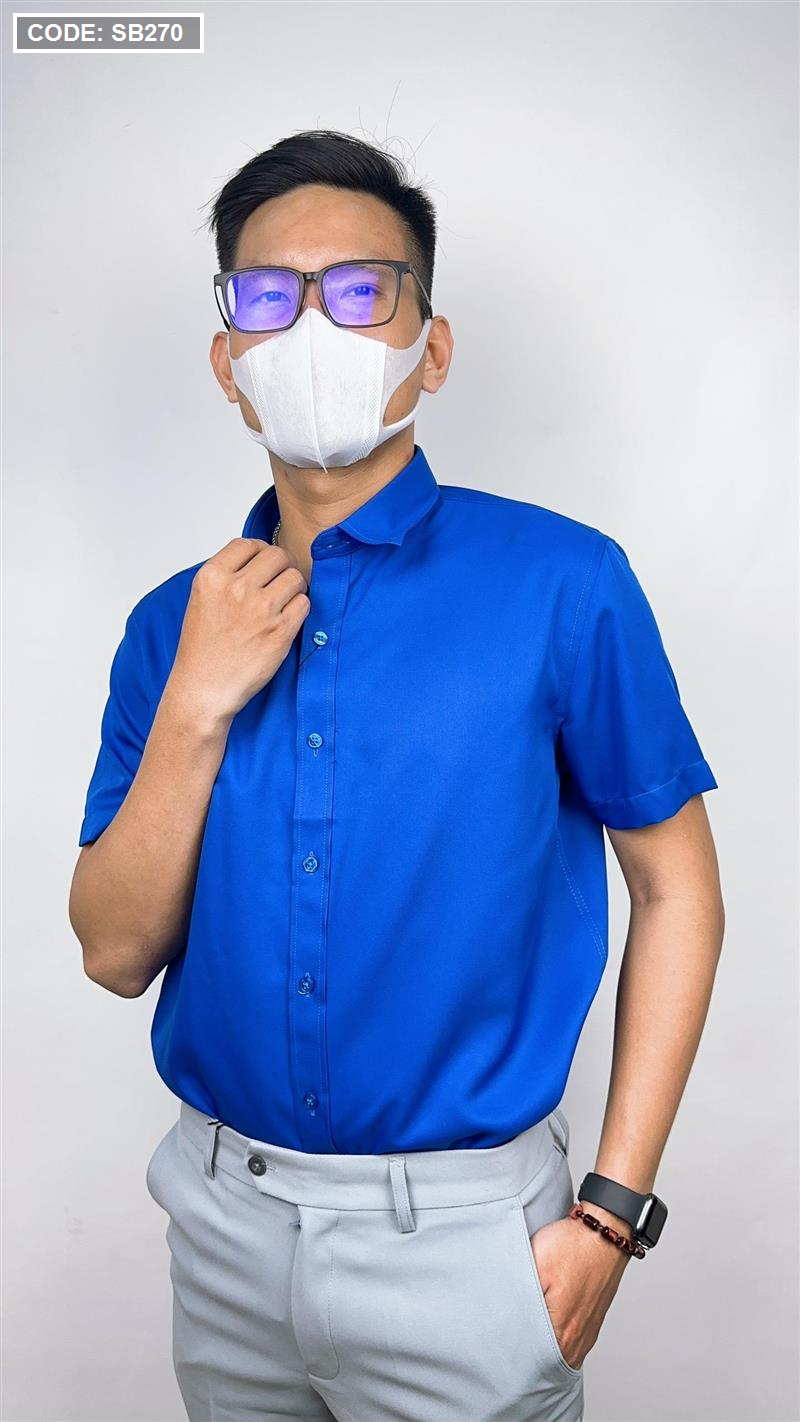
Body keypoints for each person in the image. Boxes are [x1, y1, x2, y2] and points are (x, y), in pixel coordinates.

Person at [68, 129, 725, 1422]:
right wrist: (197, 699)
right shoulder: (168, 626)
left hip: (472, 1245)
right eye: (271, 296)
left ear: (432, 344)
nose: (314, 325)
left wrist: (612, 1211)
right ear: (230, 362)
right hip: (224, 1228)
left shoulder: (564, 583)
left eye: (362, 289)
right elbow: (112, 949)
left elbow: (678, 889)